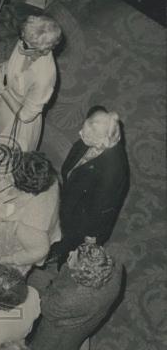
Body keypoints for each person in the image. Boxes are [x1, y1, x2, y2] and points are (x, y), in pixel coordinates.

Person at [0, 14, 61, 176]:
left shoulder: (45, 77)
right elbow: (13, 64)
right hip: (5, 105)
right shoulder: (26, 42)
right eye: (21, 38)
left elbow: (25, 115)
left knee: (7, 161)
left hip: (19, 120)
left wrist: (1, 88)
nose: (20, 45)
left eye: (26, 44)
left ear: (43, 50)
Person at [30, 238, 123, 350]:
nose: (70, 253)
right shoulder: (115, 269)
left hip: (61, 332)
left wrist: (36, 278)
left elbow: (46, 307)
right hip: (91, 319)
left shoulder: (67, 298)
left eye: (71, 259)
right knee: (82, 336)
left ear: (80, 274)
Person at [51, 107, 129, 266]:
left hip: (84, 219)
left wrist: (91, 236)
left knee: (71, 245)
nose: (80, 134)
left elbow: (102, 209)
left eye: (86, 134)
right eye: (83, 128)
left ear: (103, 142)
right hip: (74, 200)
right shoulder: (91, 141)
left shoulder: (113, 171)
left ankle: (62, 258)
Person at [0, 151, 61, 274]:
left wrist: (7, 260)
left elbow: (40, 251)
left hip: (4, 251)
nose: (5, 169)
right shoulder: (43, 177)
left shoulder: (30, 226)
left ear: (19, 182)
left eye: (10, 169)